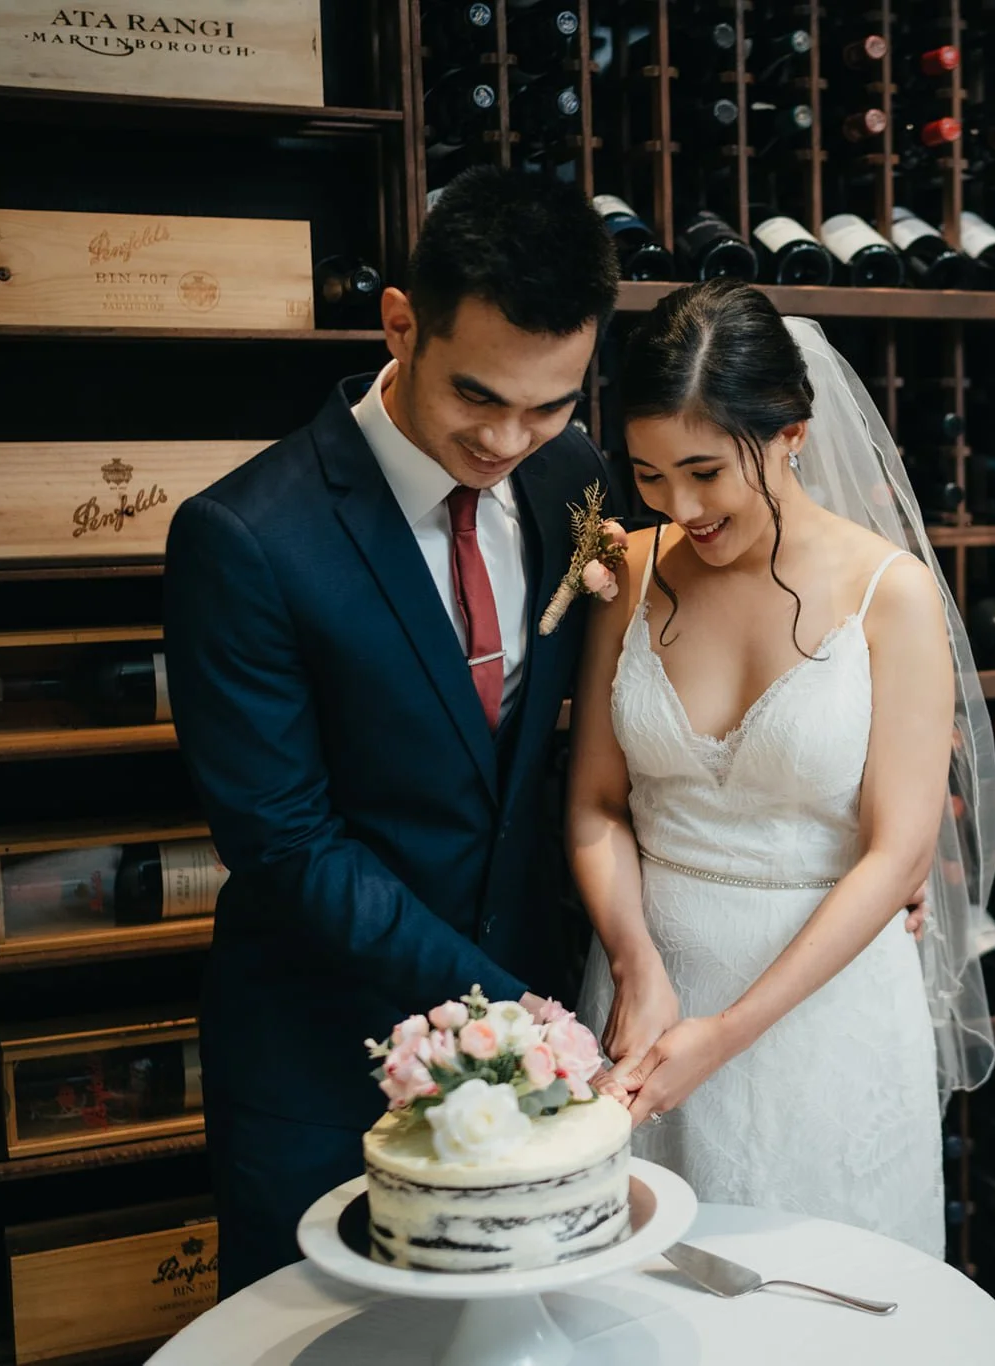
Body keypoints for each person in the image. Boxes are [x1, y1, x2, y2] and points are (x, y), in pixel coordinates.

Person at [163, 166, 631, 1298]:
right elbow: (284, 843)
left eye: (552, 401)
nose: (511, 437)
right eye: (480, 395)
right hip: (321, 1048)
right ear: (400, 323)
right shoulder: (245, 536)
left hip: (532, 1024)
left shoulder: (577, 479)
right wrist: (510, 1012)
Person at [569, 278, 995, 1256]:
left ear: (792, 433)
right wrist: (635, 964)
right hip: (648, 985)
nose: (680, 507)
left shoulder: (892, 595)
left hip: (821, 1003)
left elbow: (896, 856)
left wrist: (725, 1034)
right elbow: (596, 802)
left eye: (705, 471)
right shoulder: (627, 572)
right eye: (647, 474)